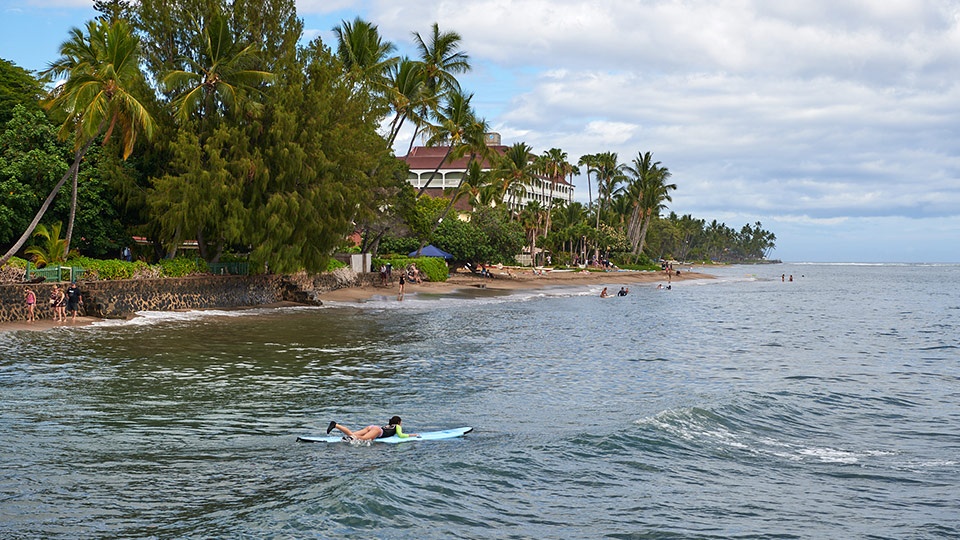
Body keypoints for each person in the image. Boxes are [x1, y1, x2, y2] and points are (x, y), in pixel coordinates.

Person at [326, 416, 419, 441]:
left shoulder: (388, 425)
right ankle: (336, 426)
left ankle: (336, 425)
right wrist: (412, 435)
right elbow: (401, 435)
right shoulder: (397, 426)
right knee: (363, 439)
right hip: (378, 431)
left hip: (372, 427)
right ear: (399, 422)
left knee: (353, 434)